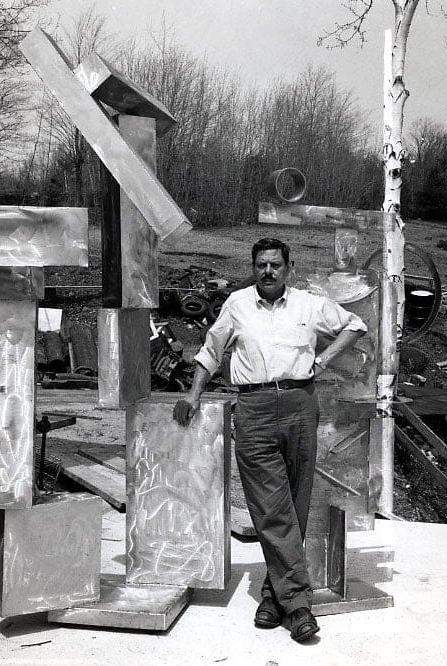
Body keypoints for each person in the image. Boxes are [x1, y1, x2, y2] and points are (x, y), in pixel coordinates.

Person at [173, 237, 366, 643]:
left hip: (300, 405)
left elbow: (354, 325)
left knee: (294, 503)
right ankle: (297, 604)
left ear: (288, 268)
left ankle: (271, 595)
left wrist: (323, 360)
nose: (268, 271)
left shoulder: (309, 305)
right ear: (253, 268)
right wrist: (193, 395)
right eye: (261, 265)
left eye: (275, 265)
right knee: (270, 507)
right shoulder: (237, 304)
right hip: (254, 408)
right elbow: (211, 350)